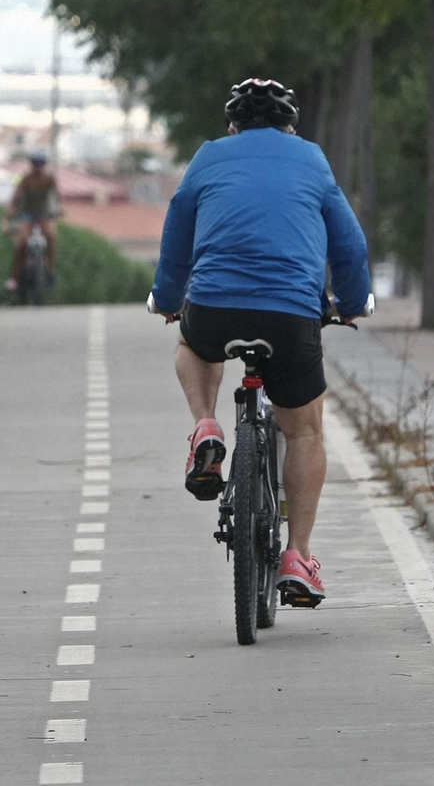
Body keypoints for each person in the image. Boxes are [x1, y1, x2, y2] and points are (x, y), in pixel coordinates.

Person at [148, 78, 371, 607]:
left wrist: (167, 295)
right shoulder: (312, 159)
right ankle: (298, 555)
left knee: (193, 347)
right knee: (306, 431)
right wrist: (354, 300)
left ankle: (206, 425)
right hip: (292, 315)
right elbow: (349, 241)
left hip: (214, 307)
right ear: (291, 128)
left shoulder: (208, 157)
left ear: (232, 127)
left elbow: (177, 230)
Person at [3, 151, 59, 291]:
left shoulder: (50, 179)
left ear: (45, 165)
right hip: (27, 215)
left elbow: (58, 196)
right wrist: (11, 210)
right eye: (35, 163)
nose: (38, 166)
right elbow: (16, 197)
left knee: (51, 236)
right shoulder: (26, 179)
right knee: (21, 243)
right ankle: (15, 279)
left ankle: (48, 269)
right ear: (31, 164)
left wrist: (60, 209)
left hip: (44, 215)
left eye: (41, 163)